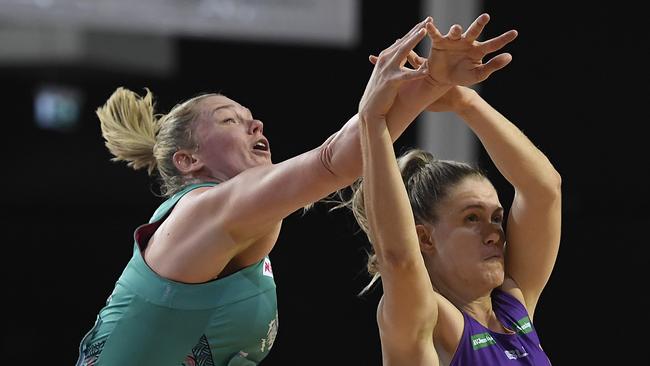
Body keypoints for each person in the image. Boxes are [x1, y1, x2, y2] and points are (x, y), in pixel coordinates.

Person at [76, 14, 517, 366]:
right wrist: (429, 83)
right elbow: (334, 161)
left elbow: (344, 157)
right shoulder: (205, 212)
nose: (255, 123)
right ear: (189, 161)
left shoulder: (242, 229)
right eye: (229, 120)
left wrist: (433, 84)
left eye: (251, 116)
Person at [346, 17, 559, 365]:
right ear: (425, 239)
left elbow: (544, 189)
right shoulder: (428, 324)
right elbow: (399, 259)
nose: (495, 234)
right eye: (472, 217)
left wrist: (463, 102)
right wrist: (373, 120)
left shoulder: (513, 307)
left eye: (496, 217)